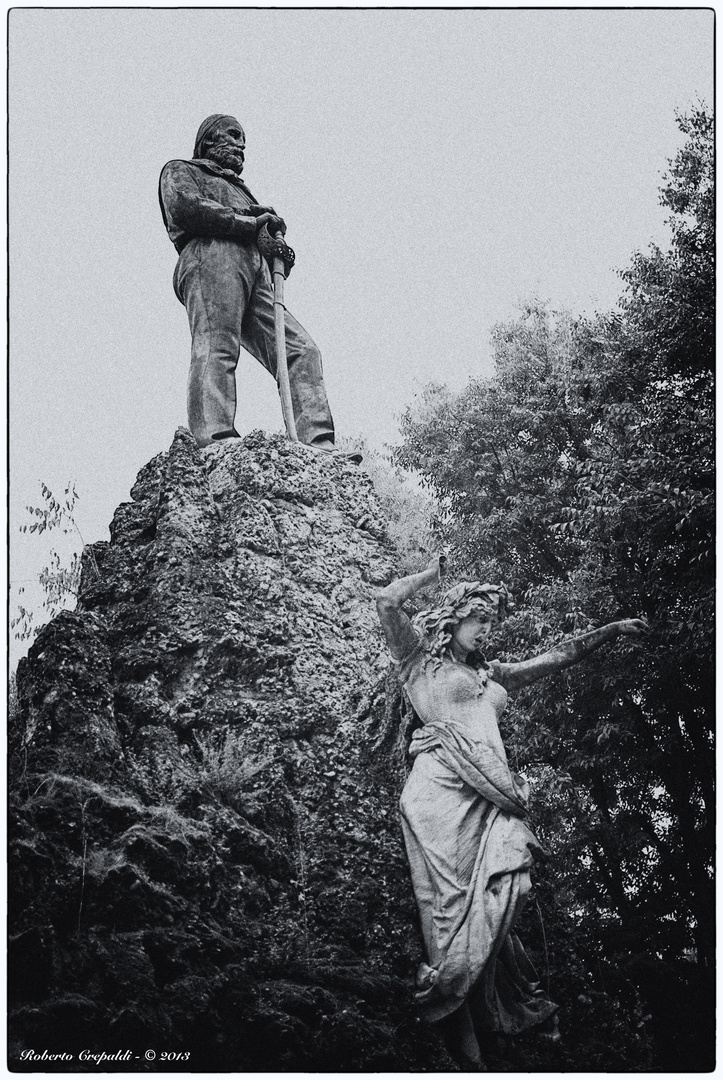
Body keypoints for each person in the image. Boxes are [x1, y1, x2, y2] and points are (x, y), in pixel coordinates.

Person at [376, 556, 648, 1069]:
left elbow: (555, 656)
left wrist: (610, 630)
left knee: (513, 885)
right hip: (438, 792)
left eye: (491, 623)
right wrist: (430, 577)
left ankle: (470, 1000)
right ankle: (462, 1027)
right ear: (453, 618)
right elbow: (387, 601)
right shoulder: (418, 661)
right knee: (447, 907)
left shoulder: (492, 674)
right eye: (479, 620)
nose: (487, 630)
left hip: (493, 796)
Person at [159, 114, 354, 456]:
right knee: (218, 344)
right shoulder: (182, 170)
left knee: (301, 350)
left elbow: (259, 237)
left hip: (255, 270)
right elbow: (187, 209)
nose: (241, 144)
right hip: (210, 256)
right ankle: (214, 438)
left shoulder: (242, 191)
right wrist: (248, 221)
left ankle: (318, 442)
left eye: (243, 138)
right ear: (207, 142)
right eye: (232, 135)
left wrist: (274, 247)